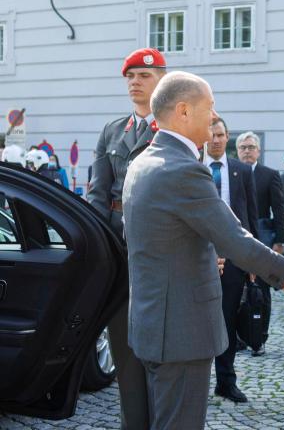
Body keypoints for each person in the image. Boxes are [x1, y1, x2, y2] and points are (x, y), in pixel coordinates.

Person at [122, 71, 284, 430]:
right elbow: (234, 238)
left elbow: (165, 239)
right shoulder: (182, 169)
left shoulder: (144, 161)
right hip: (180, 332)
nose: (214, 116)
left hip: (153, 324)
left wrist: (205, 255)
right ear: (183, 111)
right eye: (209, 107)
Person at [87, 47, 167, 429]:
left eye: (144, 76)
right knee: (124, 348)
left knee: (163, 351)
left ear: (161, 81)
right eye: (130, 76)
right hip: (120, 253)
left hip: (160, 252)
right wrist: (99, 245)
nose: (135, 82)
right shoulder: (112, 131)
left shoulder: (175, 129)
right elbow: (97, 194)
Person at [204, 117, 261, 401]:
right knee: (198, 320)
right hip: (199, 255)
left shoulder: (241, 171)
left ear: (228, 138)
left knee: (227, 320)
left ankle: (226, 381)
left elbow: (250, 217)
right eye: (211, 134)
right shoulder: (192, 167)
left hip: (234, 258)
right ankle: (196, 383)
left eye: (220, 135)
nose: (215, 139)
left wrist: (252, 260)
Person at [236, 131, 284, 356]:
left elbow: (280, 209)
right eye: (243, 147)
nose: (247, 151)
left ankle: (260, 338)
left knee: (261, 291)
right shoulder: (232, 173)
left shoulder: (269, 175)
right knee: (236, 289)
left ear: (258, 151)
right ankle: (239, 337)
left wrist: (280, 240)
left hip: (264, 237)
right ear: (237, 151)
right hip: (235, 237)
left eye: (251, 147)